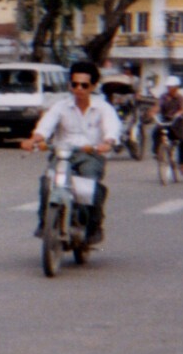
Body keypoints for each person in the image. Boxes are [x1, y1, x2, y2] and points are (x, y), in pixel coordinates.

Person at [22, 60, 121, 245]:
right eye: (74, 84)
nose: (79, 89)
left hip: (91, 155)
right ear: (69, 85)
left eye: (84, 85)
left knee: (89, 185)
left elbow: (112, 129)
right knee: (47, 183)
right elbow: (45, 126)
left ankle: (93, 226)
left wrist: (107, 143)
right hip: (62, 154)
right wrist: (34, 140)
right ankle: (45, 224)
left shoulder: (103, 108)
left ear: (93, 86)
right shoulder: (60, 106)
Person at [156, 75, 183, 174]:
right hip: (166, 121)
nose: (169, 89)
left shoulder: (180, 98)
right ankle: (157, 152)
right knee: (156, 132)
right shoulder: (163, 97)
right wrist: (152, 113)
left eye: (171, 87)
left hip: (178, 123)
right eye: (168, 87)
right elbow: (158, 106)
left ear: (176, 87)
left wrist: (179, 113)